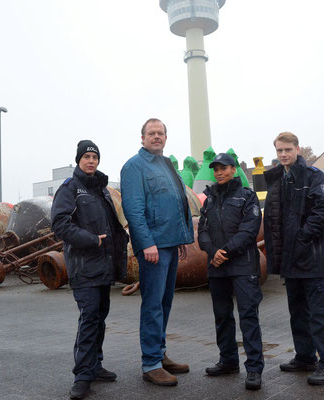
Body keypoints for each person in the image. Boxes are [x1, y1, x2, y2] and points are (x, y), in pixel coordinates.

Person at [51, 140, 129, 399]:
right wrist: (92, 239)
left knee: (99, 318)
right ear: (78, 160)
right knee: (89, 320)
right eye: (86, 156)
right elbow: (60, 224)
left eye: (95, 156)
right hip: (84, 268)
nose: (91, 160)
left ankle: (95, 366)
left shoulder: (101, 190)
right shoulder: (70, 188)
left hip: (104, 267)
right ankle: (82, 376)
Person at [120, 118, 194, 386]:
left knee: (165, 302)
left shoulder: (166, 164)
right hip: (153, 247)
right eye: (151, 133)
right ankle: (150, 363)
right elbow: (133, 209)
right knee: (152, 304)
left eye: (160, 133)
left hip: (171, 243)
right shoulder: (133, 167)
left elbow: (178, 201)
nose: (156, 137)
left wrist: (184, 235)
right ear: (142, 138)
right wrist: (146, 242)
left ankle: (160, 353)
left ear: (165, 137)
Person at [262, 132, 324, 385]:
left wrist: (303, 237)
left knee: (319, 314)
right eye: (279, 151)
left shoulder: (313, 176)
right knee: (297, 313)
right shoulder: (277, 180)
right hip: (290, 260)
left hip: (312, 258)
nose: (283, 154)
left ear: (297, 150)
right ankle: (305, 357)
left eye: (287, 150)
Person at [197, 153, 264, 391]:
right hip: (217, 268)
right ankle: (228, 361)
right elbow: (202, 231)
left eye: (223, 168)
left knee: (248, 316)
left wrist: (222, 252)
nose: (219, 173)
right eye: (215, 169)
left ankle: (254, 369)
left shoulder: (247, 196)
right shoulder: (209, 199)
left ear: (233, 170)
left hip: (243, 266)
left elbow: (249, 231)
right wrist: (212, 251)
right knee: (222, 316)